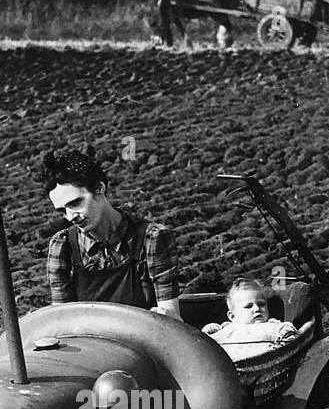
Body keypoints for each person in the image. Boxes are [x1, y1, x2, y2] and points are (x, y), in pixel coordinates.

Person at [41, 149, 182, 319]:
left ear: (99, 188)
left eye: (76, 203)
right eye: (63, 211)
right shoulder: (63, 246)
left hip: (145, 340)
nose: (71, 216)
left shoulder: (151, 238)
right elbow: (63, 320)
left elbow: (171, 318)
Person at [204, 278, 299, 353]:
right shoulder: (226, 328)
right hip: (229, 369)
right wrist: (209, 330)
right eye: (248, 306)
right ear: (233, 317)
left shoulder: (272, 325)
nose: (257, 309)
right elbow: (203, 344)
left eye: (261, 304)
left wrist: (285, 336)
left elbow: (290, 335)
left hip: (263, 362)